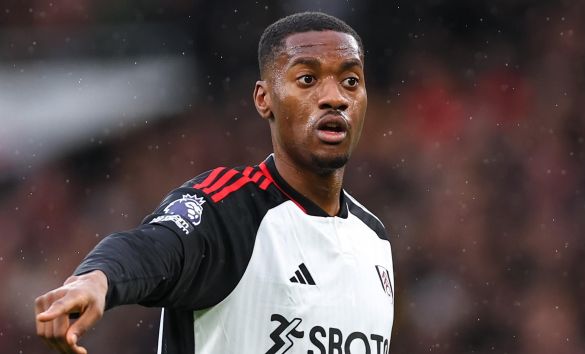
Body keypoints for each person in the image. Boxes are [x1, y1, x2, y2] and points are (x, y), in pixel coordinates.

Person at [34, 11, 394, 354]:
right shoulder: (230, 209)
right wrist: (97, 281)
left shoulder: (374, 241)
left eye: (350, 81)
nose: (334, 98)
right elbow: (156, 246)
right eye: (307, 80)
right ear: (264, 99)